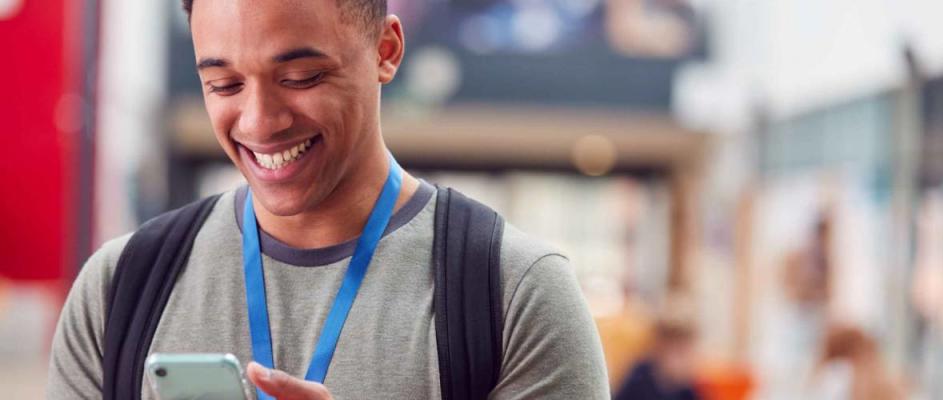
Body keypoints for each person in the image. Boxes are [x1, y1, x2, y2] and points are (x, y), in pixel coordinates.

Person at [45, 0, 609, 399]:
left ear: (386, 50)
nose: (260, 122)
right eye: (225, 85)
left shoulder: (515, 294)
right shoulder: (119, 289)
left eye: (301, 76)